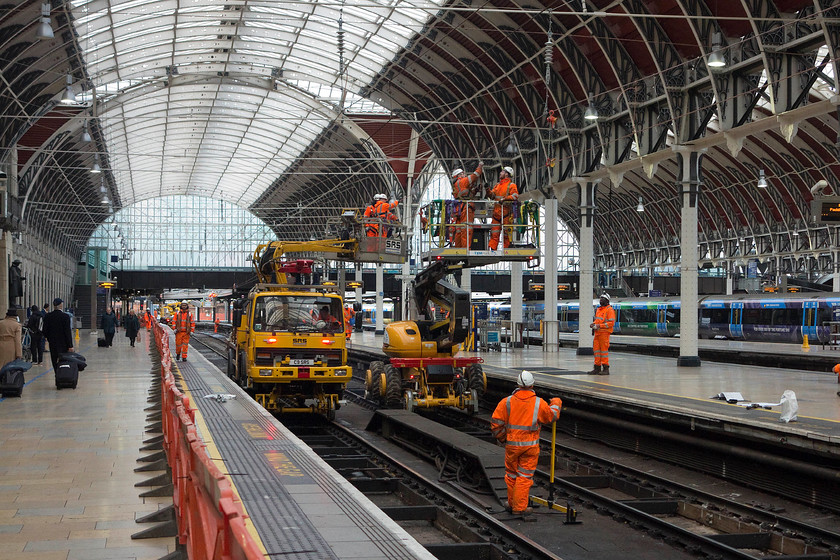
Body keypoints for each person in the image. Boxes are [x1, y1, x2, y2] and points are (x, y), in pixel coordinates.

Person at [490, 371, 562, 516]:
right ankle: (519, 507)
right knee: (524, 477)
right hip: (530, 447)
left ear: (517, 385)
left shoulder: (507, 402)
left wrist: (503, 438)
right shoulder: (539, 403)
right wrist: (556, 403)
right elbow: (552, 416)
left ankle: (511, 503)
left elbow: (496, 424)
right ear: (532, 385)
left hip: (512, 446)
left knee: (511, 475)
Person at [450, 163, 483, 248]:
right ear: (459, 175)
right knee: (466, 229)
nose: (465, 174)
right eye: (463, 173)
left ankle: (458, 249)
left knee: (459, 230)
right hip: (466, 208)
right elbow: (475, 176)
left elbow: (467, 194)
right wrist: (480, 166)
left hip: (459, 208)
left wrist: (475, 190)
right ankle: (465, 249)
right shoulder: (462, 181)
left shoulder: (457, 184)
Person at [488, 167, 519, 251]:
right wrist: (487, 190)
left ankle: (506, 249)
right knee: (494, 232)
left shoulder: (511, 185)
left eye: (502, 171)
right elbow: (492, 196)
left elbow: (515, 196)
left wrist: (505, 199)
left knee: (506, 233)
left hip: (506, 213)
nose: (500, 173)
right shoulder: (497, 185)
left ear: (506, 174)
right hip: (496, 213)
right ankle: (493, 249)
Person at [43, 298, 74, 372]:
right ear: (61, 305)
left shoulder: (48, 316)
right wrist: (70, 345)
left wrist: (49, 338)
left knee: (54, 360)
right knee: (63, 360)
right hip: (63, 344)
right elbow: (67, 332)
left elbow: (44, 331)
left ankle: (56, 374)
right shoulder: (65, 317)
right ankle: (62, 375)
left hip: (53, 343)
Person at [588, 293, 616, 375]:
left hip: (604, 334)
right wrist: (593, 324)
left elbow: (611, 323)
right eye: (600, 299)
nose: (601, 300)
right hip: (597, 333)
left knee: (603, 352)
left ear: (607, 301)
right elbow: (597, 321)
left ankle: (605, 369)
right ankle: (597, 368)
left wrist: (599, 326)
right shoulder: (599, 310)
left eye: (602, 299)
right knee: (596, 351)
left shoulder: (609, 310)